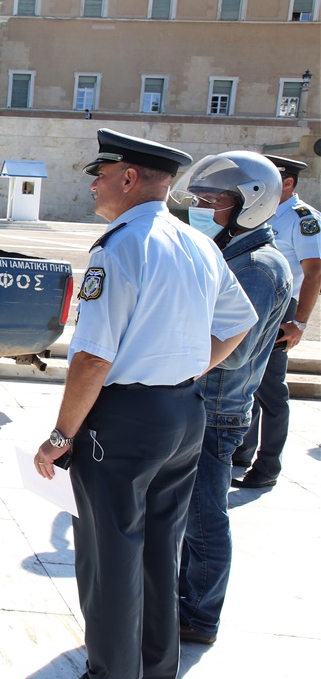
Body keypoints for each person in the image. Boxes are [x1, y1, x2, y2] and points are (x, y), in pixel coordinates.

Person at [33, 129, 257, 679]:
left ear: (128, 178)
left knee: (110, 556)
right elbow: (238, 320)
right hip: (182, 414)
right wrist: (183, 367)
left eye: (100, 174)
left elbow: (92, 359)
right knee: (161, 548)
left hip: (125, 421)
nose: (92, 186)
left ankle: (112, 672)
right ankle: (157, 668)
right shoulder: (198, 243)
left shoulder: (120, 246)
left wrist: (61, 437)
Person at [170, 152, 292, 645]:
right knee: (186, 517)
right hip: (200, 401)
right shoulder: (228, 254)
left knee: (203, 519)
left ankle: (200, 616)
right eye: (199, 197)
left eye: (213, 199)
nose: (201, 206)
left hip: (217, 409)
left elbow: (234, 352)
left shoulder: (259, 267)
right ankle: (184, 601)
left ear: (250, 203)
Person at [232, 154, 320, 489]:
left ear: (287, 183)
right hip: (255, 304)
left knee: (270, 391)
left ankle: (267, 466)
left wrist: (299, 323)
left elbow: (314, 273)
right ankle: (242, 452)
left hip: (283, 310)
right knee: (246, 382)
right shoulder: (261, 213)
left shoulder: (302, 219)